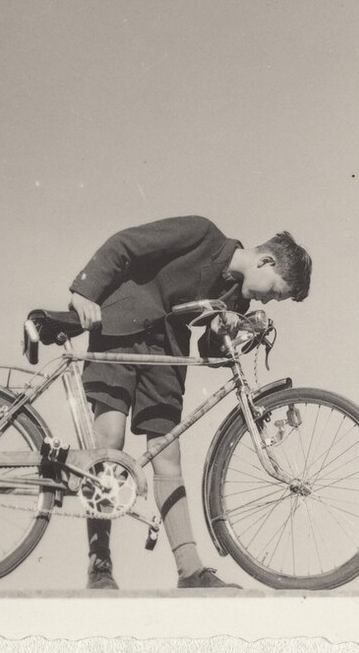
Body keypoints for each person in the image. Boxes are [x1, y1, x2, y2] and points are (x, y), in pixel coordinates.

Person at [68, 215, 312, 590]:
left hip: (168, 350)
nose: (268, 300)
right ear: (266, 262)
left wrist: (221, 331)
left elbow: (209, 350)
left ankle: (190, 570)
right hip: (121, 326)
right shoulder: (202, 234)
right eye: (274, 291)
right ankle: (99, 566)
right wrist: (84, 291)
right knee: (109, 443)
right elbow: (126, 243)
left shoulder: (236, 299)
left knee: (167, 454)